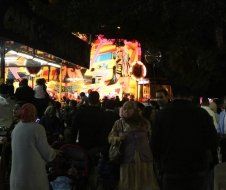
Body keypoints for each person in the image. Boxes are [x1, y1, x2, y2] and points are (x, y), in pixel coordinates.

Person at [152, 85, 218, 190]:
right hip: (196, 169)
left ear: (172, 96)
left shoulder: (162, 115)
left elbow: (155, 144)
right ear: (191, 96)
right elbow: (213, 141)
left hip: (171, 168)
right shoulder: (202, 114)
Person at [108, 101, 159, 190]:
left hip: (144, 157)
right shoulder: (119, 123)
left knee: (145, 182)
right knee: (128, 182)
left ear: (135, 110)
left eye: (129, 109)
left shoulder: (144, 122)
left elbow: (152, 138)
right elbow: (110, 138)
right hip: (127, 157)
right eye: (124, 109)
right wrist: (118, 139)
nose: (126, 111)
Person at [10, 103, 57, 190]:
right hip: (33, 178)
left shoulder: (16, 128)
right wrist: (55, 153)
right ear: (34, 114)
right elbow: (47, 153)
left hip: (17, 179)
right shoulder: (37, 128)